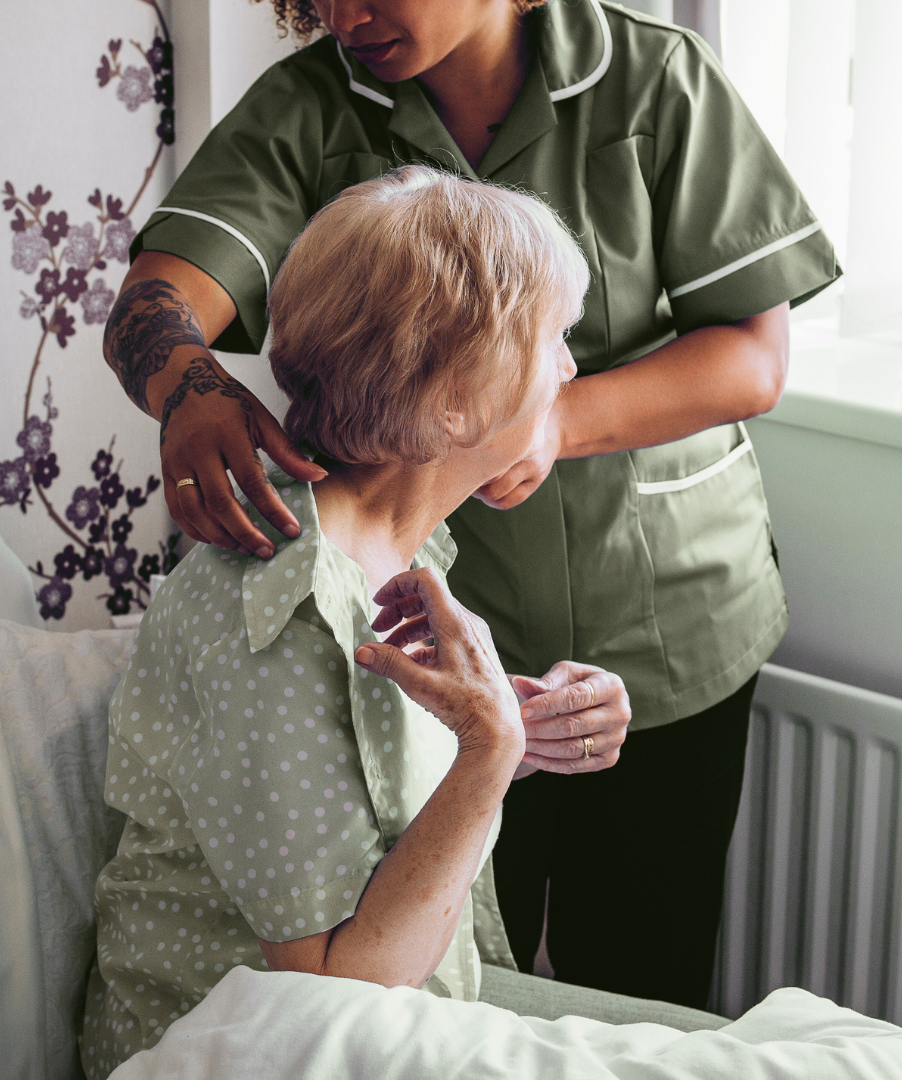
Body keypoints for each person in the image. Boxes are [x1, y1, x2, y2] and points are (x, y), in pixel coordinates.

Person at [102, 0, 840, 1009]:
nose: (344, 15)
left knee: (647, 980)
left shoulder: (658, 77)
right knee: (462, 952)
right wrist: (187, 385)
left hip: (665, 612)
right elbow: (363, 974)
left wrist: (548, 416)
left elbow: (754, 357)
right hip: (443, 641)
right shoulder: (308, 108)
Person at [82, 167, 647, 1078]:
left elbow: (369, 793)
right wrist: (490, 751)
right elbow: (337, 992)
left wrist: (518, 725)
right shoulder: (278, 612)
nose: (571, 370)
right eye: (555, 340)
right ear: (456, 400)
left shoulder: (391, 548)